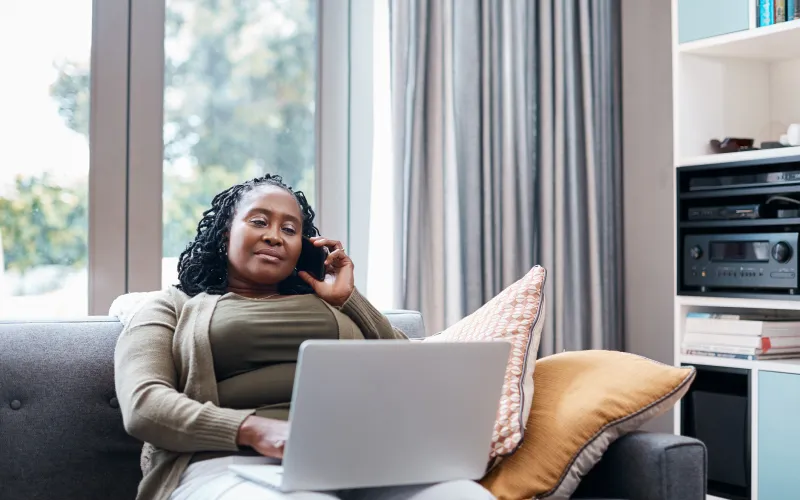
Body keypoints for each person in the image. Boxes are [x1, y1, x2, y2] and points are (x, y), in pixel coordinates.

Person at [114, 174, 496, 500]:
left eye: (290, 229)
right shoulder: (172, 306)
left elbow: (410, 374)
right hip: (226, 464)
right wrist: (255, 430)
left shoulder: (334, 304)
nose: (275, 237)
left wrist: (349, 299)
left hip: (359, 462)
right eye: (259, 221)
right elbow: (144, 404)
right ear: (225, 232)